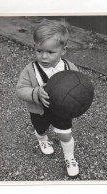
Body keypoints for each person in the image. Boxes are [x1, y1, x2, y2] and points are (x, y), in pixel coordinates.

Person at [16, 19, 79, 177]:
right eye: (39, 51)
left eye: (50, 52)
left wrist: (77, 102)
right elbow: (20, 90)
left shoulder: (70, 68)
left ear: (63, 50)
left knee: (65, 134)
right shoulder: (30, 70)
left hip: (61, 111)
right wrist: (35, 93)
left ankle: (69, 157)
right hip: (38, 111)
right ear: (35, 47)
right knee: (40, 129)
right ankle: (42, 139)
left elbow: (79, 88)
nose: (44, 56)